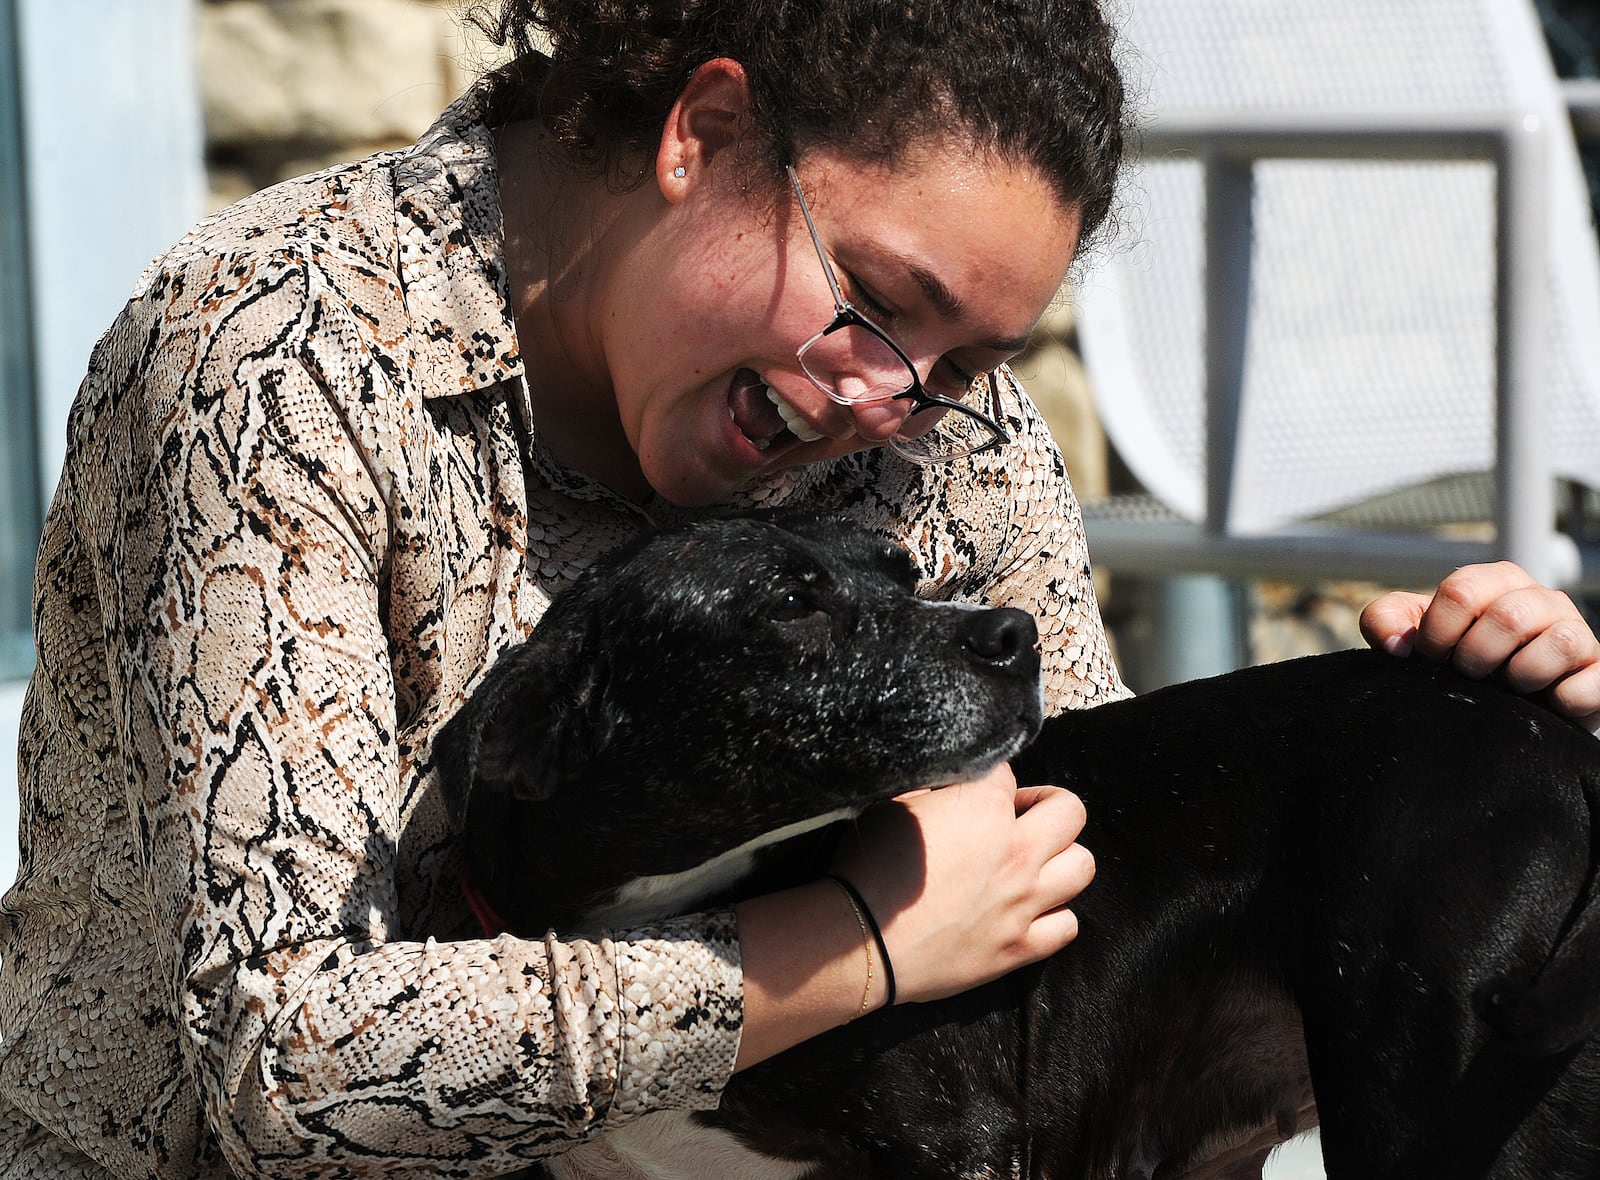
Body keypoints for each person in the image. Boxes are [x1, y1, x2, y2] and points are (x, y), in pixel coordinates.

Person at [1, 1, 1596, 1176]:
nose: (887, 398)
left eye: (971, 360)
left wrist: (1445, 730)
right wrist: (842, 951)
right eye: (880, 302)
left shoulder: (930, 430)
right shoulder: (276, 359)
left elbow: (1083, 875)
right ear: (699, 133)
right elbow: (286, 1060)